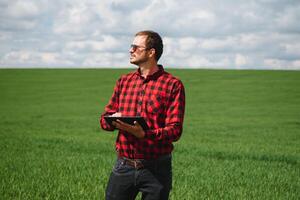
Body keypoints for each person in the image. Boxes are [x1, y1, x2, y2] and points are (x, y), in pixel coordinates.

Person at [100, 30, 185, 200]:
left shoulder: (172, 85)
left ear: (151, 52)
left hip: (157, 169)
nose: (131, 50)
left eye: (135, 47)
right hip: (123, 166)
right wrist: (112, 121)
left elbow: (175, 130)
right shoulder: (124, 82)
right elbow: (104, 119)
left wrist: (145, 134)